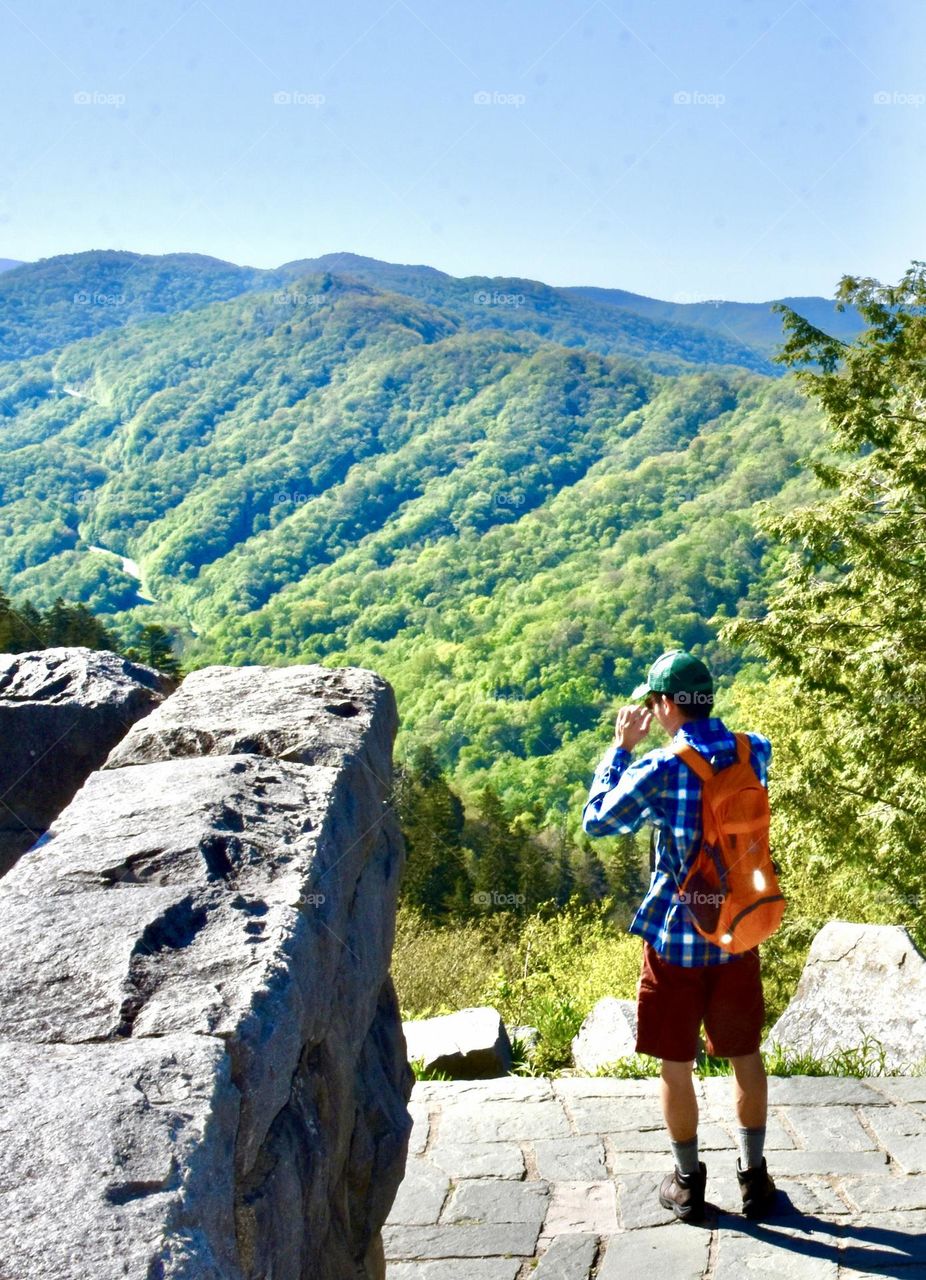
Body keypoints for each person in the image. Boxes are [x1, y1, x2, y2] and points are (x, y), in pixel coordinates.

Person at [582, 649, 776, 1222]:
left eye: (654, 703)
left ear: (665, 704)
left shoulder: (661, 770)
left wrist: (620, 751)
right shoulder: (754, 749)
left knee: (675, 1064)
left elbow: (598, 821)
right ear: (708, 697)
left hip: (677, 939)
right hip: (738, 931)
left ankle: (688, 1183)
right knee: (744, 1054)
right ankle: (755, 1180)